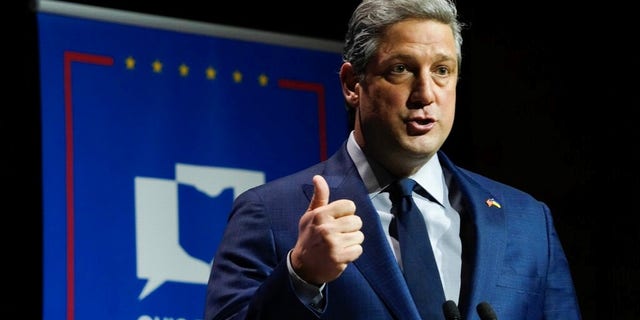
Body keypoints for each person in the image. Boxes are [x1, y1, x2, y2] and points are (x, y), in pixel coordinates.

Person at [203, 0, 582, 318]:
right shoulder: (270, 213)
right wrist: (301, 276)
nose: (425, 93)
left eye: (442, 71)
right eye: (401, 69)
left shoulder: (527, 221)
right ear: (353, 85)